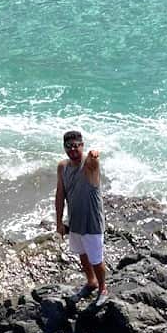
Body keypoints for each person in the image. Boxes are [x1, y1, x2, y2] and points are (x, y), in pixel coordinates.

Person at [55, 130, 107, 306]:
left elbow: (93, 161)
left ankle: (103, 288)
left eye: (76, 146)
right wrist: (59, 222)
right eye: (68, 146)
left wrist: (94, 155)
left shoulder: (89, 165)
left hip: (92, 222)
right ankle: (91, 282)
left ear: (82, 145)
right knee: (82, 254)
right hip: (75, 221)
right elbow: (60, 195)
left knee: (96, 259)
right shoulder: (62, 167)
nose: (72, 150)